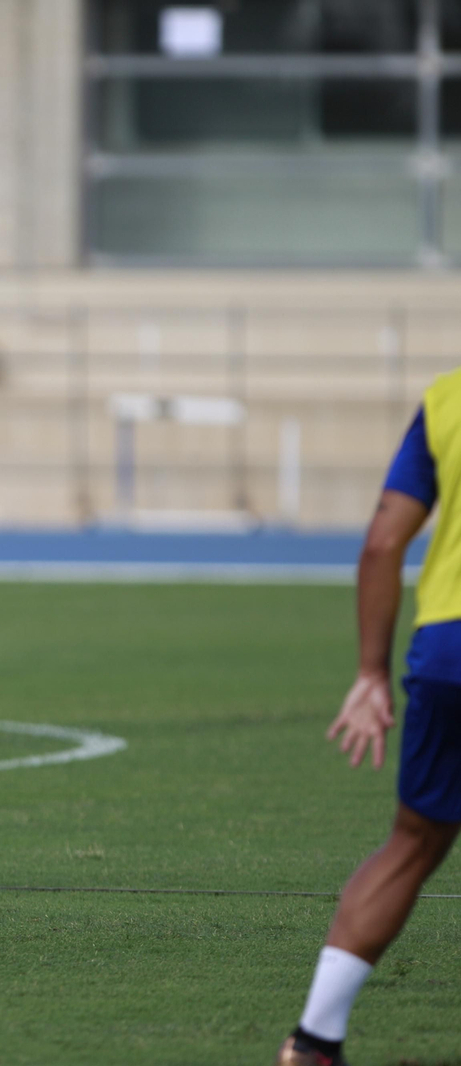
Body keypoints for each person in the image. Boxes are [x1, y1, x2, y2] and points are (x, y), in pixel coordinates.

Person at [275, 392, 461, 1064]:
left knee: (413, 843)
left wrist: (370, 672)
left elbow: (383, 542)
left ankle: (314, 1042)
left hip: (449, 649)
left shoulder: (446, 399)